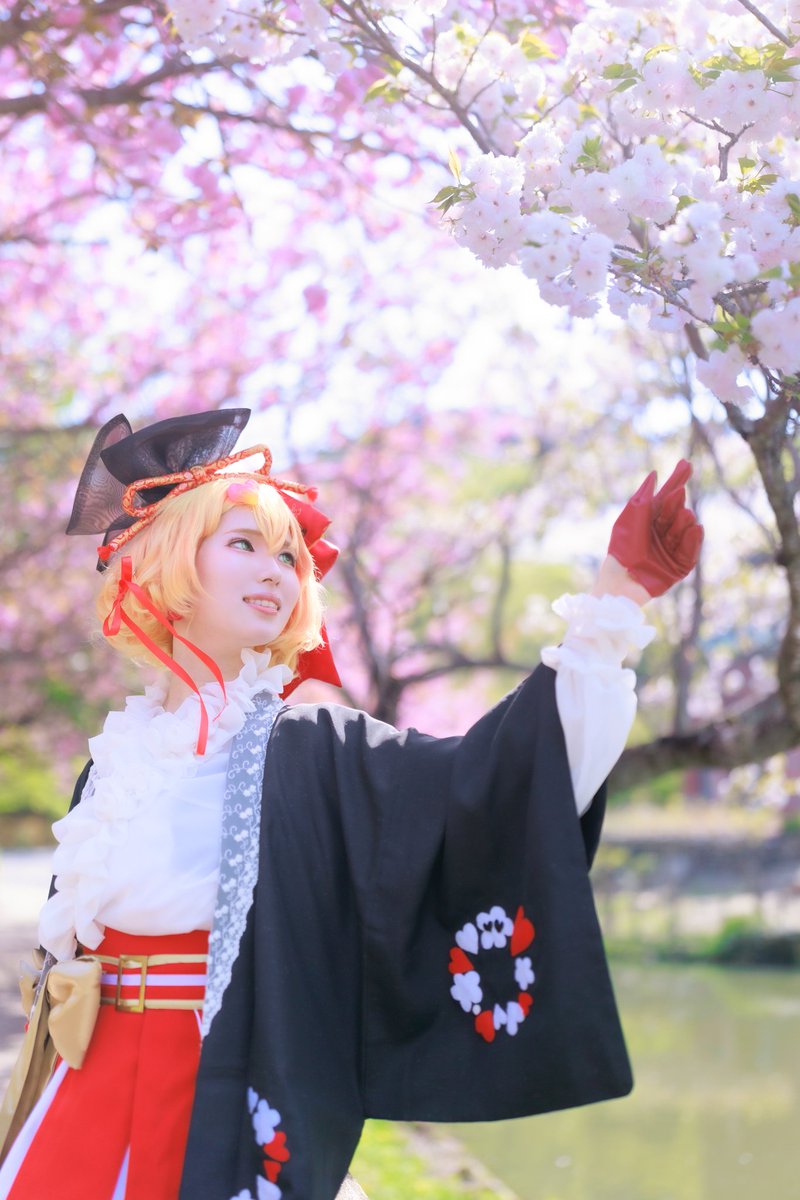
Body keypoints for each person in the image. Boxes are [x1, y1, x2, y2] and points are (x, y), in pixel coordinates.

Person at [0, 408, 702, 1200]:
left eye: (288, 556)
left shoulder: (308, 747)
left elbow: (489, 785)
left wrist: (615, 603)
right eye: (244, 544)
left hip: (218, 1088)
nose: (276, 571)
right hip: (82, 1088)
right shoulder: (114, 760)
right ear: (165, 563)